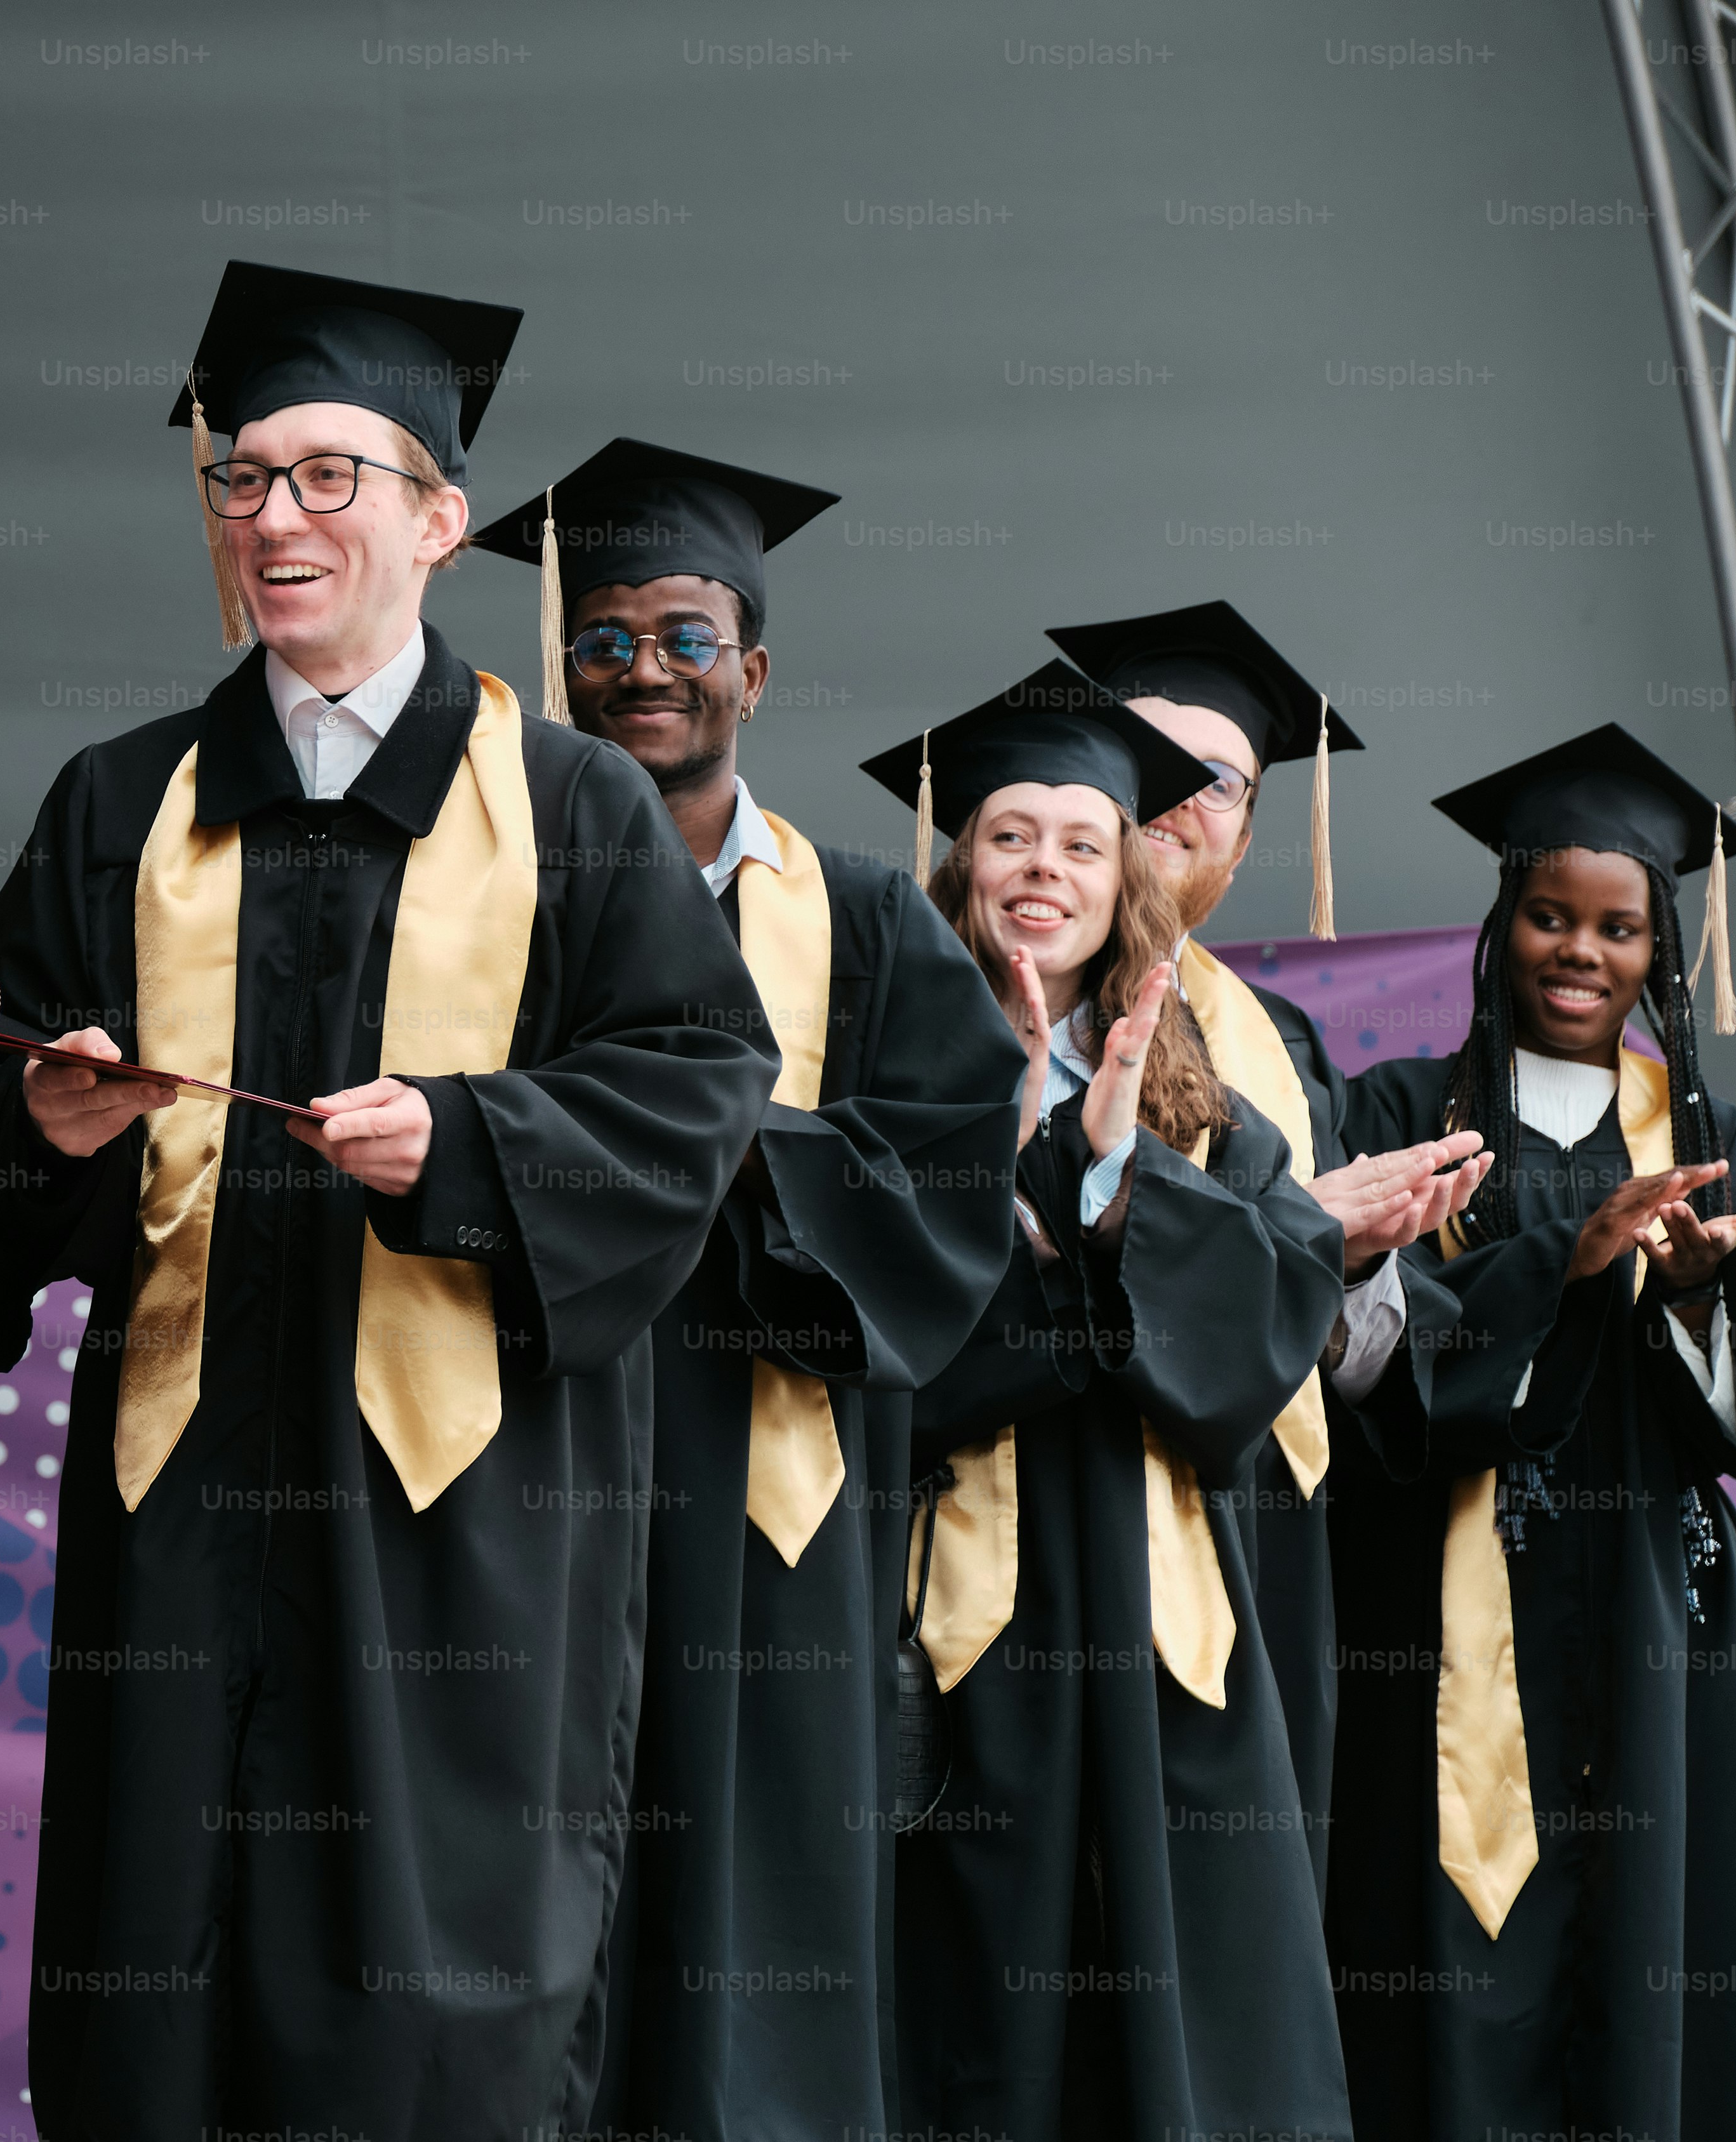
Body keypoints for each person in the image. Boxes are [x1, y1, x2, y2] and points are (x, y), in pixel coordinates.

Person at [0, 261, 775, 2140]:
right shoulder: (122, 803)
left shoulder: (567, 808)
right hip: (185, 1529)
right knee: (157, 2002)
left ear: (441, 522)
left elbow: (697, 1092)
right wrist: (46, 1129)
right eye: (243, 480)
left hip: (461, 1546)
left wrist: (466, 1149)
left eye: (329, 478)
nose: (274, 520)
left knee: (431, 2025)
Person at [459, 441, 1024, 2138]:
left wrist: (707, 1146)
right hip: (530, 1469)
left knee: (752, 1931)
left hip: (770, 1496)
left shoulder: (857, 922)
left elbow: (951, 1185)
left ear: (754, 673)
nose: (642, 671)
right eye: (607, 638)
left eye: (685, 637)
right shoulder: (487, 900)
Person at [858, 665, 1364, 2140]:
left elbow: (1279, 1307)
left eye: (1084, 841)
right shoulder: (893, 1063)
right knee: (981, 2012)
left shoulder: (1200, 1089)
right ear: (962, 860)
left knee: (1186, 2023)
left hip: (1168, 1627)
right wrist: (1024, 1175)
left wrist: (1107, 1172)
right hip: (970, 1624)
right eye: (1011, 835)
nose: (1045, 871)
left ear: (1128, 868)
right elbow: (883, 1337)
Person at [1328, 725, 1736, 2142]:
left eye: (1619, 927)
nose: (1580, 951)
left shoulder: (1714, 1134)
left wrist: (1697, 1296)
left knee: (1652, 1937)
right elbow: (1357, 1368)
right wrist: (1552, 1266)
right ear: (1503, 924)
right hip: (1436, 1609)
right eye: (1551, 915)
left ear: (1657, 947)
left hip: (1651, 1612)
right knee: (1435, 1946)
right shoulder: (1397, 1115)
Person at [1044, 599, 1478, 1882]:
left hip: (1262, 1548)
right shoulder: (980, 987)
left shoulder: (1279, 1042)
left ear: (1248, 833)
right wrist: (1293, 1229)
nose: (1179, 800)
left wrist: (1361, 1257)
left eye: (1217, 780)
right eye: (1150, 760)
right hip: (1062, 1517)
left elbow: (1341, 1363)